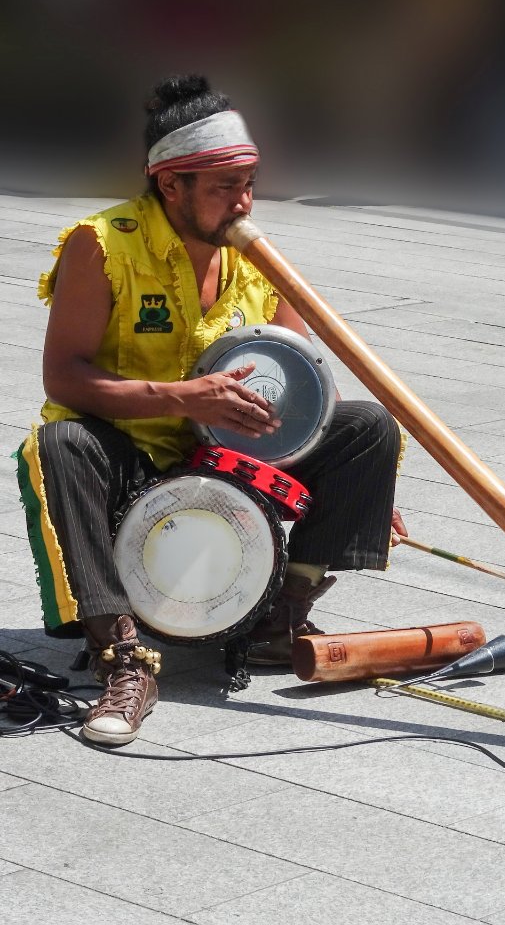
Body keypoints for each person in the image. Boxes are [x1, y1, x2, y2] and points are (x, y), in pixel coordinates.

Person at [16, 74, 406, 746]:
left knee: (369, 430)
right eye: (227, 188)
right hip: (126, 446)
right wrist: (178, 395)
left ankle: (277, 620)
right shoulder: (102, 244)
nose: (245, 203)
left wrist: (364, 482)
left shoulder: (255, 258)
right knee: (54, 447)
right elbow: (65, 376)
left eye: (250, 184)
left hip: (225, 453)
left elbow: (312, 384)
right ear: (172, 184)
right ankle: (124, 659)